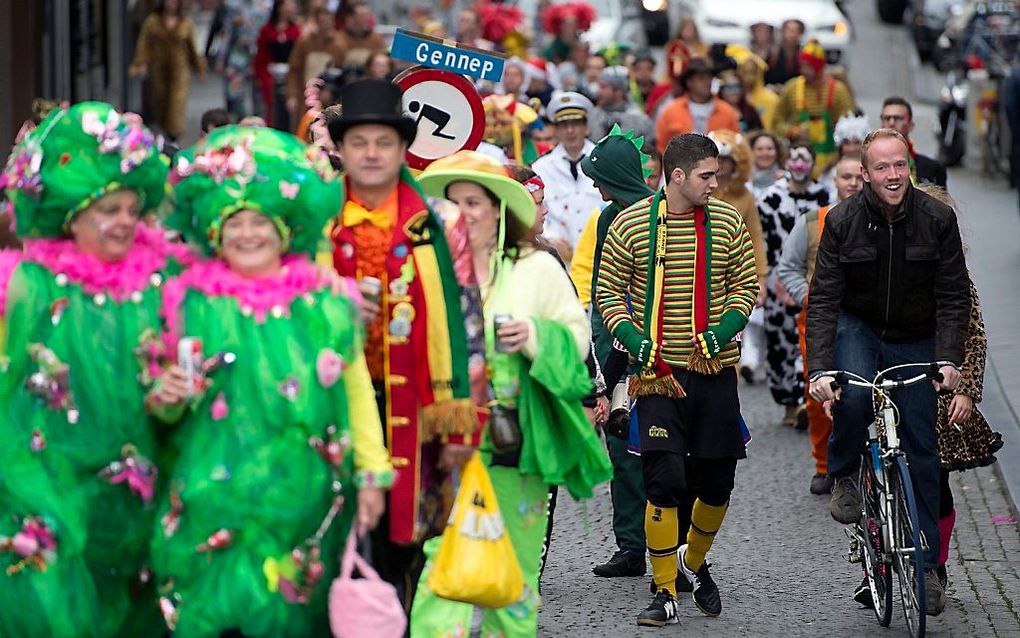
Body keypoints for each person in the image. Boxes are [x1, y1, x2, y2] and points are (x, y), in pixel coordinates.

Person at [146, 125, 392, 636]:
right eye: (234, 224)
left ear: (284, 229)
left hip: (302, 498)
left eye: (261, 222)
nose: (248, 234)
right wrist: (165, 398)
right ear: (214, 232)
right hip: (211, 495)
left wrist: (372, 472)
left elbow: (354, 393)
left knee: (288, 617)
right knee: (209, 615)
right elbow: (164, 406)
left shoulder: (324, 303)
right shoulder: (186, 302)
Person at [411, 150, 611, 636]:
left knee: (515, 572)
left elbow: (576, 336)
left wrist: (534, 336)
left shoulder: (536, 267)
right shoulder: (425, 267)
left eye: (475, 202)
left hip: (512, 440)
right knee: (438, 566)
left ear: (499, 210)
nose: (464, 213)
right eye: (454, 203)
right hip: (442, 443)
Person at [0, 101, 176, 637]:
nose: (124, 222)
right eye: (108, 209)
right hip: (47, 479)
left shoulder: (164, 281)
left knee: (130, 603)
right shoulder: (26, 286)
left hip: (137, 475)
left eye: (131, 209)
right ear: (73, 215)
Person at [326, 79, 482, 613]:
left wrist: (460, 419)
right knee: (327, 536)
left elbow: (465, 322)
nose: (371, 154)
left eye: (384, 143)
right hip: (328, 403)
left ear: (402, 149)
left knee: (401, 544)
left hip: (413, 404)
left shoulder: (439, 223)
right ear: (341, 150)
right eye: (360, 143)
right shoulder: (314, 220)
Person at [807, 128, 971, 617]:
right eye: (883, 167)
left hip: (916, 334)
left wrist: (949, 360)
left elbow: (953, 294)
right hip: (858, 328)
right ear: (865, 174)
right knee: (854, 398)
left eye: (900, 165)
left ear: (910, 168)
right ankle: (844, 476)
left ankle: (924, 566)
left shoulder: (938, 218)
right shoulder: (841, 221)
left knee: (922, 448)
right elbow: (824, 301)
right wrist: (820, 369)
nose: (893, 175)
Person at [597, 134, 758, 626]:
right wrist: (631, 335)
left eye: (718, 175)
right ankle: (664, 591)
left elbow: (745, 286)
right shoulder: (630, 224)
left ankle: (692, 560)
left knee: (716, 482)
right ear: (678, 176)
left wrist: (725, 328)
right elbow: (608, 291)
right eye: (707, 176)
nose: (716, 183)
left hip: (714, 375)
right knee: (663, 482)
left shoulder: (728, 220)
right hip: (658, 377)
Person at [567, 127, 658, 579]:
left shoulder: (664, 215)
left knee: (665, 454)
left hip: (660, 350)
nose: (596, 188)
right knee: (622, 448)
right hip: (615, 346)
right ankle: (631, 547)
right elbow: (605, 285)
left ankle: (674, 547)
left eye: (600, 178)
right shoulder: (606, 217)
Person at [776, 153, 864, 494]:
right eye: (846, 177)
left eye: (858, 176)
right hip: (818, 321)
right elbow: (789, 267)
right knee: (819, 394)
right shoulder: (813, 221)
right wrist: (809, 298)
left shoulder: (880, 219)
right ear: (835, 182)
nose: (853, 183)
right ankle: (825, 464)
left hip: (865, 319)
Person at [757, 143, 830, 427]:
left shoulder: (824, 196)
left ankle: (809, 402)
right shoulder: (770, 198)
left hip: (815, 281)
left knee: (811, 345)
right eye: (795, 158)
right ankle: (790, 404)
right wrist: (768, 279)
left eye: (805, 158)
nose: (800, 164)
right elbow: (761, 241)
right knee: (780, 345)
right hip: (778, 281)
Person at [532, 92, 605, 261]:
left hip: (599, 256)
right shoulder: (541, 167)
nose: (570, 130)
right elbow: (534, 211)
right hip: (558, 258)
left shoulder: (604, 162)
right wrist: (548, 239)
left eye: (576, 123)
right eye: (563, 125)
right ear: (555, 130)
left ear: (586, 127)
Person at [773, 40, 854, 177]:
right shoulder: (791, 87)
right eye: (802, 66)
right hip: (797, 159)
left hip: (830, 162)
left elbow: (850, 127)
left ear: (819, 67)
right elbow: (776, 122)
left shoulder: (838, 90)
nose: (803, 70)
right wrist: (793, 131)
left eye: (808, 66)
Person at [129, 0, 207, 141]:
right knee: (160, 102)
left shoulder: (185, 23)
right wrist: (141, 63)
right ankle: (162, 133)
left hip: (180, 71)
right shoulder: (153, 21)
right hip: (158, 70)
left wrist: (200, 68)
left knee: (176, 103)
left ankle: (174, 136)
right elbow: (144, 44)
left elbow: (193, 48)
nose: (171, 4)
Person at [707, 130, 768, 306]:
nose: (722, 164)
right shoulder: (699, 191)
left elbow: (755, 237)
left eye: (728, 159)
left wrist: (761, 280)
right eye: (719, 158)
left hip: (735, 273)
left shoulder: (745, 195)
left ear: (737, 163)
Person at [655, 58, 740, 155]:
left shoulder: (727, 112)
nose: (707, 82)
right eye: (701, 78)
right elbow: (661, 148)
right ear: (689, 82)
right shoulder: (670, 111)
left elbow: (737, 147)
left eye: (709, 78)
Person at [285, 6, 346, 123]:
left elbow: (342, 73)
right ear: (316, 22)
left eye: (329, 22)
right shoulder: (304, 42)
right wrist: (291, 95)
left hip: (331, 100)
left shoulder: (339, 44)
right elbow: (294, 70)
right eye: (323, 22)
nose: (326, 26)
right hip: (305, 97)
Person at [215, 0, 274, 119]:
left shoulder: (266, 6)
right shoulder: (233, 6)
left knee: (260, 96)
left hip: (259, 57)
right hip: (238, 57)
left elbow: (270, 31)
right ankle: (239, 122)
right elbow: (226, 34)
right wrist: (221, 58)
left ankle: (258, 125)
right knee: (234, 94)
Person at [880, 96, 948, 187]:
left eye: (898, 118)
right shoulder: (869, 166)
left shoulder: (933, 168)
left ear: (911, 125)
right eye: (887, 118)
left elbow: (942, 200)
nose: (892, 123)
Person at [255, 0, 302, 129]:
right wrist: (262, 76)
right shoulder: (267, 30)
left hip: (291, 73)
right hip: (271, 75)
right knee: (272, 111)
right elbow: (261, 56)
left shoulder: (296, 29)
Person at [589, 66, 656, 144]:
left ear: (618, 90)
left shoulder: (640, 121)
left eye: (603, 87)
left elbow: (649, 152)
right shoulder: (591, 116)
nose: (598, 91)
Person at [817, 111, 867, 197]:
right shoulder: (828, 171)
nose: (851, 148)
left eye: (856, 143)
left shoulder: (872, 169)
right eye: (846, 143)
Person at [336, 2, 387, 68]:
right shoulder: (338, 38)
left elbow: (383, 59)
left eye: (367, 15)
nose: (366, 18)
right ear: (350, 17)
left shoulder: (376, 38)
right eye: (361, 16)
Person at [736, 55, 779, 132]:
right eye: (744, 71)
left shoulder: (770, 98)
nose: (749, 77)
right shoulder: (734, 97)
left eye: (752, 71)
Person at [764, 19, 805, 87]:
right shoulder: (773, 53)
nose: (792, 34)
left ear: (800, 33)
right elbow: (765, 78)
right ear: (783, 32)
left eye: (795, 30)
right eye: (789, 30)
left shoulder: (804, 53)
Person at [748, 131, 787, 198]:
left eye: (769, 149)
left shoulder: (787, 179)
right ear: (751, 152)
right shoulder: (743, 180)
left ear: (777, 151)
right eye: (759, 149)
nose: (765, 153)